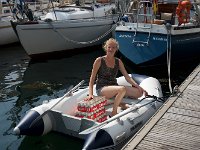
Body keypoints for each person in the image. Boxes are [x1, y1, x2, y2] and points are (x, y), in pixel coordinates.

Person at [86, 38, 148, 117]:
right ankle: (114, 112)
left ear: (116, 49)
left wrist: (139, 87)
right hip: (102, 89)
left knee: (139, 93)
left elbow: (127, 77)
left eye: (113, 47)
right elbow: (92, 79)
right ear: (106, 48)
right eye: (109, 47)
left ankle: (120, 103)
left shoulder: (118, 61)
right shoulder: (99, 60)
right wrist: (91, 94)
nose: (111, 49)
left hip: (114, 87)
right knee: (121, 89)